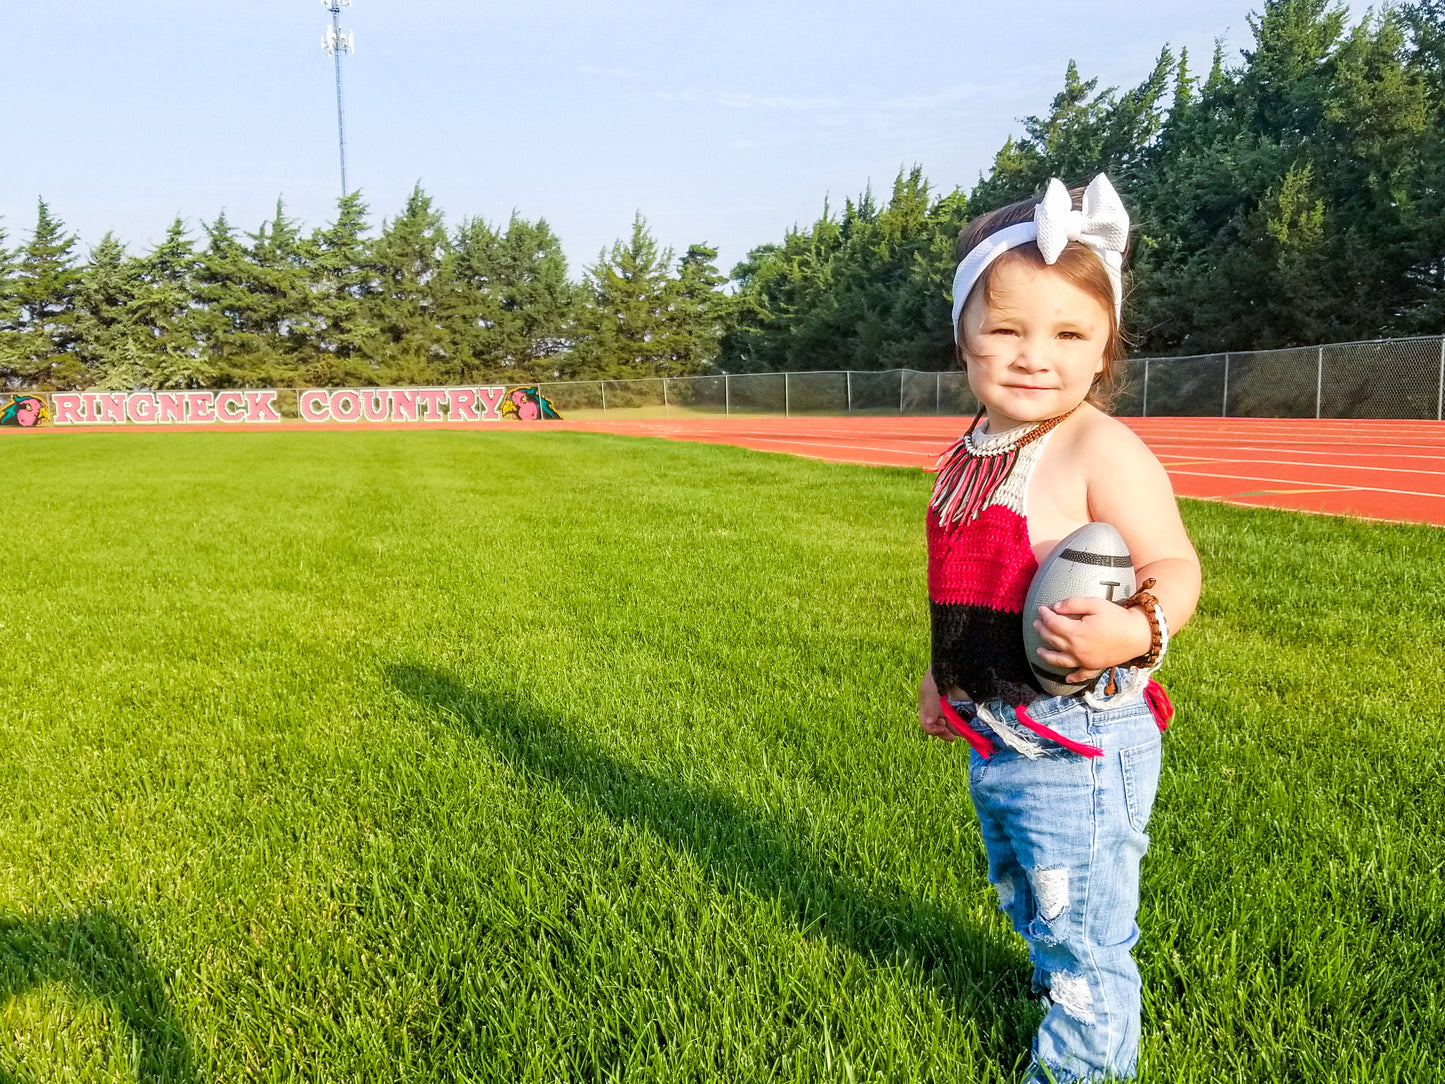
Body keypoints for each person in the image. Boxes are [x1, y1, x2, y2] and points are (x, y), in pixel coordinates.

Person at [917, 175, 1201, 1083]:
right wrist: (944, 675)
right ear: (962, 334)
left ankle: (1080, 1064)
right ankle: (1059, 984)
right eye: (1005, 329)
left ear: (1104, 347)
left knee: (1083, 924)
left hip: (1078, 737)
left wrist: (1133, 629)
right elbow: (964, 582)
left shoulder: (1096, 446)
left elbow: (1173, 563)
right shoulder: (971, 449)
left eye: (1068, 334)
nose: (1034, 356)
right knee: (1034, 897)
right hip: (996, 733)